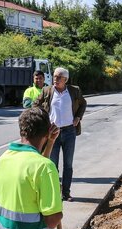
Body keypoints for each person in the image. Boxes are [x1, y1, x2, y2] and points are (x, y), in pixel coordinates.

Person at [34, 67, 86, 202]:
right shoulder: (47, 91)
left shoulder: (74, 91)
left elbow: (83, 104)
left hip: (69, 131)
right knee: (53, 165)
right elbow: (35, 106)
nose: (55, 79)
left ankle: (66, 193)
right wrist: (43, 122)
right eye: (54, 76)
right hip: (52, 133)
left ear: (65, 80)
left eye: (58, 77)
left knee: (68, 164)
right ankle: (56, 192)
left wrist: (78, 117)